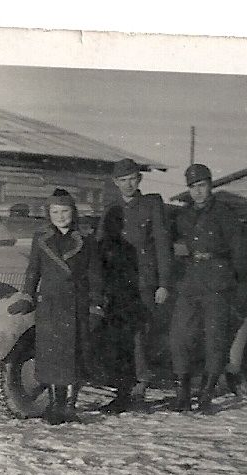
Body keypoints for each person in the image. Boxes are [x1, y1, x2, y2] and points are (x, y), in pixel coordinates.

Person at [8, 189, 104, 425]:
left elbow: (95, 275)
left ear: (73, 212)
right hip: (49, 304)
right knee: (51, 356)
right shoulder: (40, 240)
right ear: (48, 214)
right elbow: (33, 271)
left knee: (73, 357)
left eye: (65, 211)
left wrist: (96, 303)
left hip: (76, 304)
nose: (60, 216)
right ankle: (54, 406)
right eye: (55, 212)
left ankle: (69, 408)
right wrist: (26, 296)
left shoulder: (86, 240)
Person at [169, 163, 247, 414]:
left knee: (214, 339)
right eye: (193, 187)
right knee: (179, 336)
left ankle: (206, 394)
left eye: (202, 186)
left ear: (210, 185)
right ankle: (182, 393)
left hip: (218, 280)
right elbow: (172, 243)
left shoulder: (225, 214)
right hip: (190, 280)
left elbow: (240, 250)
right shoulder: (183, 216)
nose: (198, 192)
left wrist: (238, 283)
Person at [94, 158, 173, 413]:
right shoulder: (111, 209)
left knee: (139, 333)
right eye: (123, 180)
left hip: (143, 280)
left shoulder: (152, 205)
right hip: (117, 282)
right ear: (115, 183)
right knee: (119, 335)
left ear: (139, 180)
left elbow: (162, 245)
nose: (128, 185)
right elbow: (100, 246)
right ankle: (122, 387)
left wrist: (163, 283)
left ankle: (140, 385)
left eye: (132, 179)